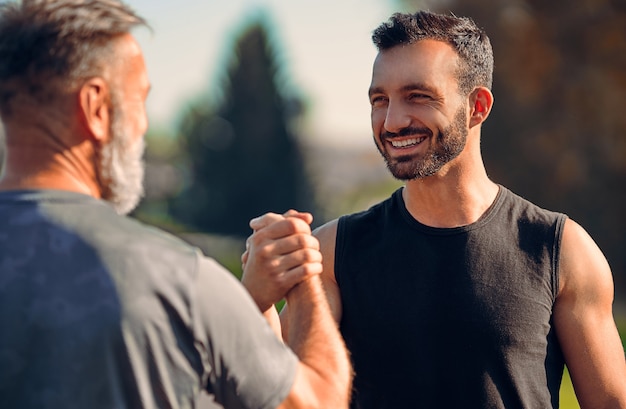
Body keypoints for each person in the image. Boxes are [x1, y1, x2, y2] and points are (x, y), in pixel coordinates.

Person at [247, 10, 626, 408]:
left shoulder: (561, 251)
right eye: (380, 100)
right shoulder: (333, 253)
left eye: (418, 96)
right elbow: (281, 399)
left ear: (477, 106)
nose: (392, 121)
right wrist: (258, 304)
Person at [0, 1, 351, 408]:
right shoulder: (175, 279)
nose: (143, 126)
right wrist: (305, 275)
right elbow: (319, 400)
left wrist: (245, 304)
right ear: (96, 108)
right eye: (139, 101)